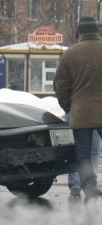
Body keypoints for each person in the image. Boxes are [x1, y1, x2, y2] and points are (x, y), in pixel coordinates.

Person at [54, 16, 102, 203]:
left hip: (80, 114)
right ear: (98, 32)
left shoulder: (69, 54)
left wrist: (68, 106)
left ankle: (89, 191)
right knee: (95, 152)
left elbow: (60, 85)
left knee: (82, 154)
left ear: (79, 34)